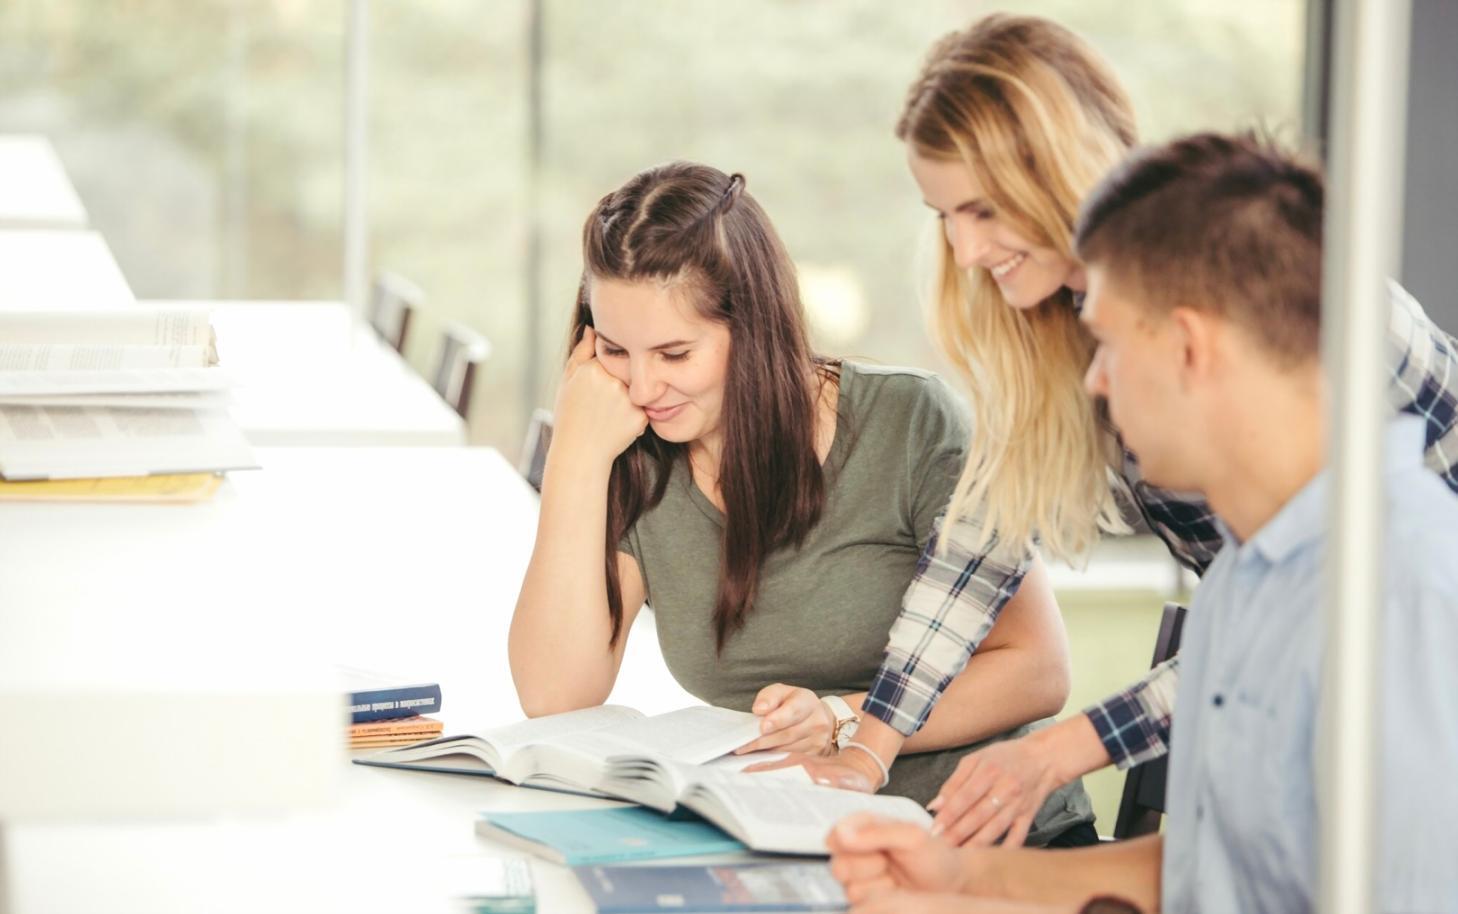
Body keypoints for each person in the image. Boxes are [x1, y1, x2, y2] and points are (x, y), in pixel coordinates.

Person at [793, 13, 1458, 850]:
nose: (964, 252)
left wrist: (1058, 753)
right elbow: (983, 544)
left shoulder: (1273, 291)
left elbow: (1333, 614)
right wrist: (871, 746)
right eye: (942, 217)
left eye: (984, 209)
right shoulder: (1056, 320)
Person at [506, 160, 1097, 844]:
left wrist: (842, 718)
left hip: (981, 836)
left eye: (674, 353)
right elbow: (555, 697)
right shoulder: (637, 451)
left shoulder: (910, 423)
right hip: (790, 842)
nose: (641, 386)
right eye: (614, 349)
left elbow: (1038, 669)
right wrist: (577, 458)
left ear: (752, 331)